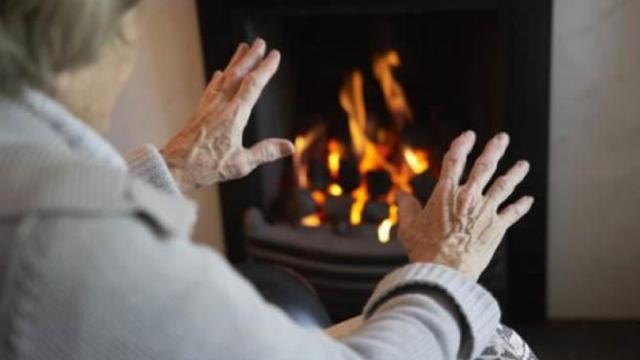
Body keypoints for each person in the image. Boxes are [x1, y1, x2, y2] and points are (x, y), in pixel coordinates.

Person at [0, 1, 536, 359]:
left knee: (278, 289)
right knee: (494, 345)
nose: (130, 42)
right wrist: (443, 270)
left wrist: (169, 169)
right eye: (126, 18)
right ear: (69, 46)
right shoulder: (65, 246)